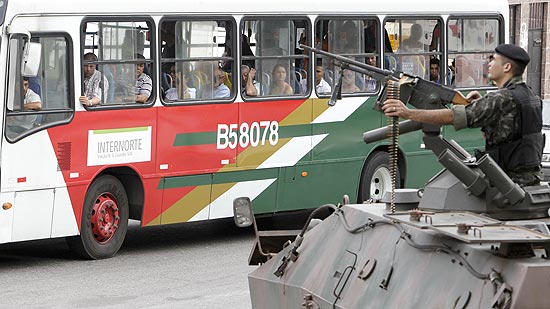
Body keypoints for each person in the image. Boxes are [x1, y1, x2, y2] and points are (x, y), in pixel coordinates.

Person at [382, 44, 543, 186]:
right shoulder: (529, 95)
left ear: (506, 67)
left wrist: (409, 113)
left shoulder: (501, 99)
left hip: (508, 183)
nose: (489, 64)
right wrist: (483, 106)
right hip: (527, 180)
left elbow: (454, 116)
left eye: (493, 60)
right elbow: (513, 129)